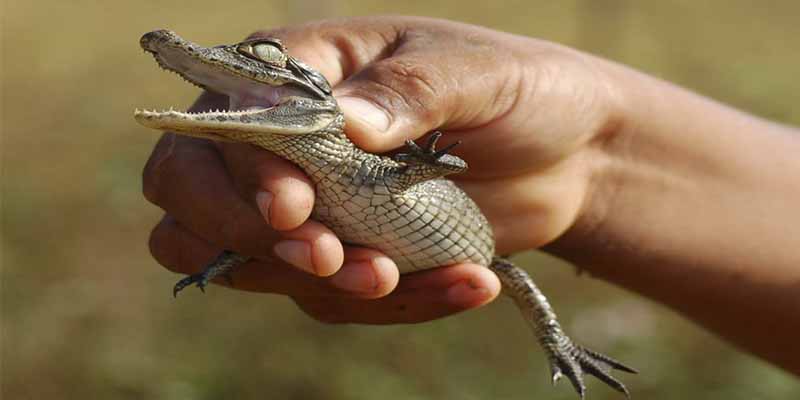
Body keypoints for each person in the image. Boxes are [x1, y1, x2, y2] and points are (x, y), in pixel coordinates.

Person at [142, 16, 800, 374]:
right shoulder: (311, 179)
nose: (241, 62)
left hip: (474, 248)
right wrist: (591, 167)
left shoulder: (365, 151)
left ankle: (559, 345)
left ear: (321, 98)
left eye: (264, 56)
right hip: (401, 244)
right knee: (291, 231)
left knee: (504, 276)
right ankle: (239, 253)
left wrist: (424, 156)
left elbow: (444, 161)